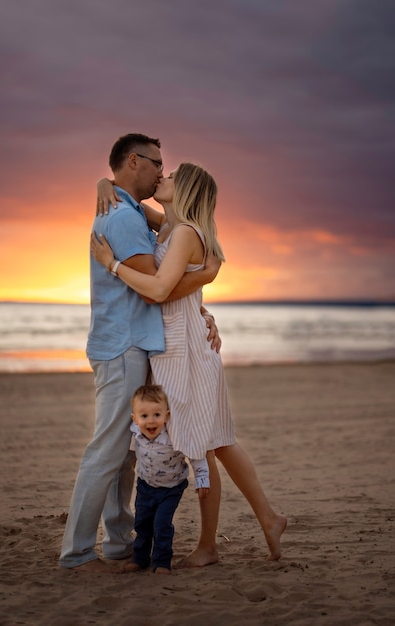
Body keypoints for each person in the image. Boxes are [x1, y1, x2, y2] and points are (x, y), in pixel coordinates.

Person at [91, 162, 287, 563]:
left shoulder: (182, 233)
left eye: (173, 175)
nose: (163, 177)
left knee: (207, 442)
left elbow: (160, 290)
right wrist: (102, 183)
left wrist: (111, 264)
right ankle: (254, 524)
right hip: (180, 344)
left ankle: (217, 542)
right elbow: (126, 196)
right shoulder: (171, 225)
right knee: (214, 442)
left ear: (187, 190)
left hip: (184, 350)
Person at [59, 134, 221, 571]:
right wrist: (204, 276)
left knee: (125, 452)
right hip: (123, 345)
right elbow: (157, 290)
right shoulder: (126, 219)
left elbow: (165, 277)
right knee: (108, 451)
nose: (161, 171)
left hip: (132, 344)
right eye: (156, 163)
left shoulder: (131, 211)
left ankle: (116, 545)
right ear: (134, 161)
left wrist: (198, 304)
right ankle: (76, 554)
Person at [123, 384, 209, 575]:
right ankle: (140, 558)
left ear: (167, 416)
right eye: (144, 416)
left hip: (171, 488)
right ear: (135, 419)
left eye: (157, 415)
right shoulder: (135, 433)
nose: (151, 421)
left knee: (161, 524)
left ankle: (162, 562)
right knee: (142, 523)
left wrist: (202, 479)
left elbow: (196, 455)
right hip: (145, 486)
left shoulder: (174, 436)